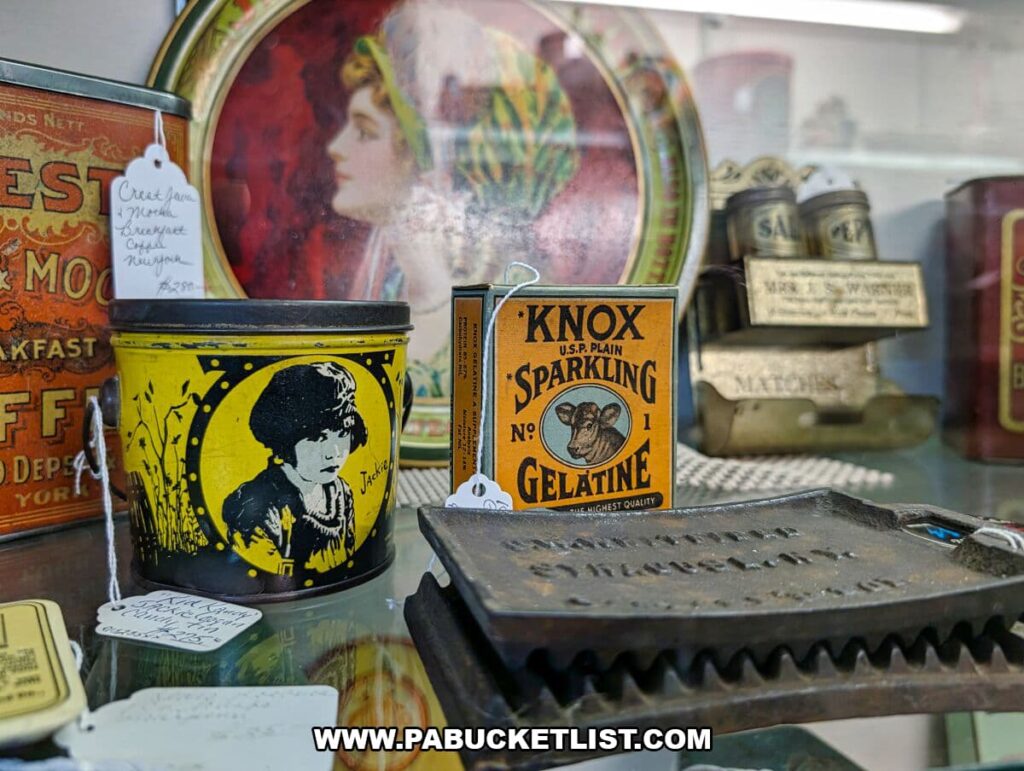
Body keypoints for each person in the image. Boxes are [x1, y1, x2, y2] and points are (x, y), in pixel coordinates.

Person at [326, 1, 580, 397]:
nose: (335, 148)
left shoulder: (501, 306)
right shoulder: (392, 278)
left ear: (429, 164)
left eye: (363, 131)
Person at [222, 362, 366, 571]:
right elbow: (257, 574)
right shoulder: (258, 505)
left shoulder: (340, 493)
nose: (333, 452)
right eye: (318, 438)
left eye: (342, 435)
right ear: (286, 440)